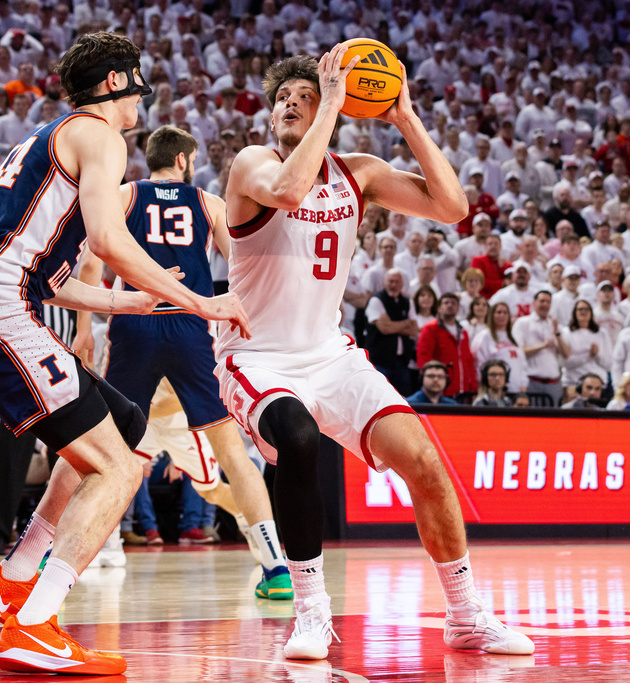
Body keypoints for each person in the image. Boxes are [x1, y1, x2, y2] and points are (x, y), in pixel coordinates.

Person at [0, 33, 249, 675]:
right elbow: (107, 238)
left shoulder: (49, 139)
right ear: (112, 87)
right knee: (121, 468)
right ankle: (36, 623)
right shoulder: (98, 135)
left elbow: (57, 277)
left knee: (124, 425)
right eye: (137, 91)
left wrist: (126, 304)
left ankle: (13, 580)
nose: (141, 107)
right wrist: (201, 299)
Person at [215, 48, 532, 661]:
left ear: (334, 108)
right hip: (255, 357)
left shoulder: (358, 172)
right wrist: (331, 101)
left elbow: (453, 208)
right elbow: (287, 189)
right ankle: (310, 614)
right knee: (299, 440)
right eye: (284, 97)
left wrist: (405, 117)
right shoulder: (253, 163)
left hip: (330, 355)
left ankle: (466, 617)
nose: (289, 104)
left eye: (304, 96)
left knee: (425, 461)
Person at [72, 125, 292, 593]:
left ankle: (59, 554)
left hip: (135, 320)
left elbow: (90, 264)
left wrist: (83, 329)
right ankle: (276, 567)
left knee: (101, 443)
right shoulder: (206, 201)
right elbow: (244, 264)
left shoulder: (125, 195)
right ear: (185, 160)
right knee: (232, 453)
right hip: (191, 322)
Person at [364, 268, 417, 394]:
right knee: (379, 395)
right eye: (390, 281)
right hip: (380, 360)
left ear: (402, 284)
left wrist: (391, 324)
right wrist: (406, 323)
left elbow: (414, 329)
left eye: (397, 282)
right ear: (384, 283)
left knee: (404, 398)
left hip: (401, 361)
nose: (393, 285)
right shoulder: (376, 300)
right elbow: (384, 329)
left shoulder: (407, 302)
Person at [416, 293, 478, 399]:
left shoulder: (463, 331)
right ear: (439, 308)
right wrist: (431, 382)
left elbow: (468, 360)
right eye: (446, 303)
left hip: (464, 391)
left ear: (458, 308)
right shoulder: (430, 329)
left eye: (453, 303)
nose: (450, 305)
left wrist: (473, 387)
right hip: (440, 390)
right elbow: (423, 357)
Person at [513, 290, 569, 405]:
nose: (545, 304)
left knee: (555, 420)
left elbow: (566, 354)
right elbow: (518, 353)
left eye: (548, 302)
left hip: (554, 382)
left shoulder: (555, 325)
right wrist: (543, 346)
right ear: (534, 303)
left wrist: (557, 332)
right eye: (542, 301)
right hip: (532, 381)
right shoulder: (523, 323)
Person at [470, 302, 528, 395]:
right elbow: (478, 365)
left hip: (516, 390)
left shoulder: (513, 338)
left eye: (505, 313)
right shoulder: (484, 336)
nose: (502, 315)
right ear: (491, 315)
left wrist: (523, 384)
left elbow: (523, 364)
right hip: (493, 391)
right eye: (499, 312)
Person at [560, 299, 610, 388]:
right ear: (574, 312)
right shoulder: (566, 332)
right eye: (580, 309)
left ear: (591, 312)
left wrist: (597, 354)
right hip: (573, 383)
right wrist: (588, 356)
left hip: (598, 384)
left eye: (586, 309)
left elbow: (608, 363)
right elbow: (565, 363)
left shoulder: (601, 333)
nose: (583, 312)